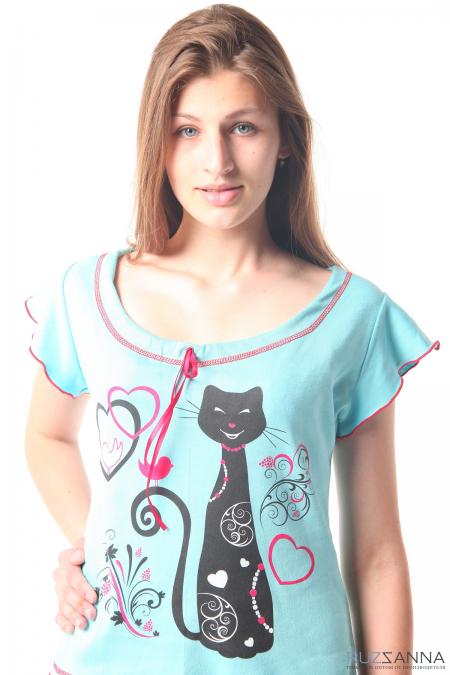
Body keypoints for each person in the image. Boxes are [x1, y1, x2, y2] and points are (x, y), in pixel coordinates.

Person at [24, 5, 440, 675]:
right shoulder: (88, 294)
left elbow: (377, 554)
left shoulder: (351, 318)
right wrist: (92, 545)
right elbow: (46, 435)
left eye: (242, 127)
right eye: (187, 130)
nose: (216, 161)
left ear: (285, 139)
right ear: (157, 143)